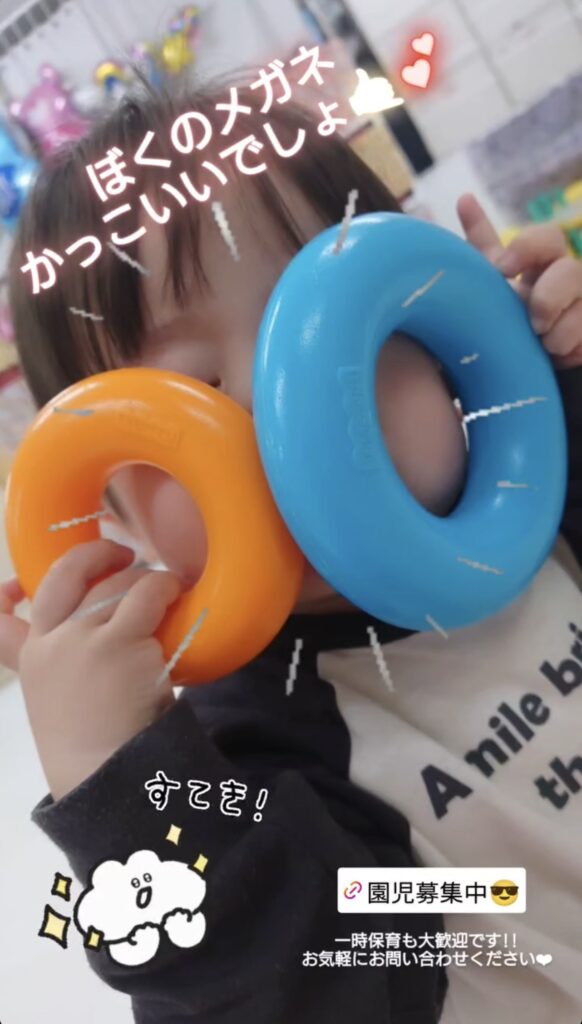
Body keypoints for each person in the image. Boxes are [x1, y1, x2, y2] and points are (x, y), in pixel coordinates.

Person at [1, 77, 581, 1024]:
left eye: (336, 337)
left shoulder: (546, 501)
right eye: (195, 391)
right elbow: (311, 977)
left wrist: (560, 376)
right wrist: (128, 784)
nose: (293, 425)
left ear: (445, 338)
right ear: (117, 509)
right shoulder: (259, 755)